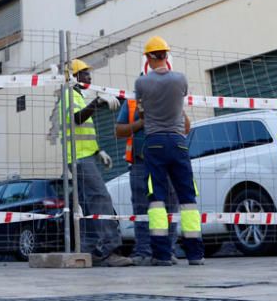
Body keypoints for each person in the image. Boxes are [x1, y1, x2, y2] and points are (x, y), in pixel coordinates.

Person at [134, 36, 204, 266]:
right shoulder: (180, 79)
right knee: (187, 198)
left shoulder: (141, 83)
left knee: (157, 199)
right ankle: (195, 255)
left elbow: (142, 113)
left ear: (148, 57)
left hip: (154, 142)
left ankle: (162, 255)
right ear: (166, 55)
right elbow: (180, 107)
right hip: (178, 141)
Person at [60, 59, 132, 267]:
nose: (89, 77)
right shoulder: (68, 95)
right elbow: (77, 119)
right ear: (73, 77)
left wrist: (98, 150)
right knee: (101, 199)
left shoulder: (77, 96)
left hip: (83, 157)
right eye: (84, 73)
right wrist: (97, 102)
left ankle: (93, 252)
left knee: (90, 204)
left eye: (88, 74)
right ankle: (109, 250)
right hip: (79, 159)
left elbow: (79, 130)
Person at [115, 87, 190, 265]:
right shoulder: (132, 103)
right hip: (141, 163)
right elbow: (119, 131)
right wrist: (141, 122)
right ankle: (144, 252)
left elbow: (186, 127)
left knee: (170, 207)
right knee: (141, 208)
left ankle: (167, 251)